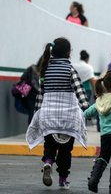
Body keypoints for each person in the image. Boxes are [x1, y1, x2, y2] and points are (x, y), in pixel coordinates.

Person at [26, 37, 89, 190]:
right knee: (66, 150)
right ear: (68, 53)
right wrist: (86, 106)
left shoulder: (45, 69)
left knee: (50, 144)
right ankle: (63, 179)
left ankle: (48, 162)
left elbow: (40, 94)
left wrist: (37, 113)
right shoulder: (70, 70)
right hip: (68, 117)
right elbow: (79, 90)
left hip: (48, 116)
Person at [19, 56, 42, 124]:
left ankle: (31, 130)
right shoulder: (45, 70)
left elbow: (23, 77)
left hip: (30, 93)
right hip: (41, 94)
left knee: (31, 112)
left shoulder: (32, 68)